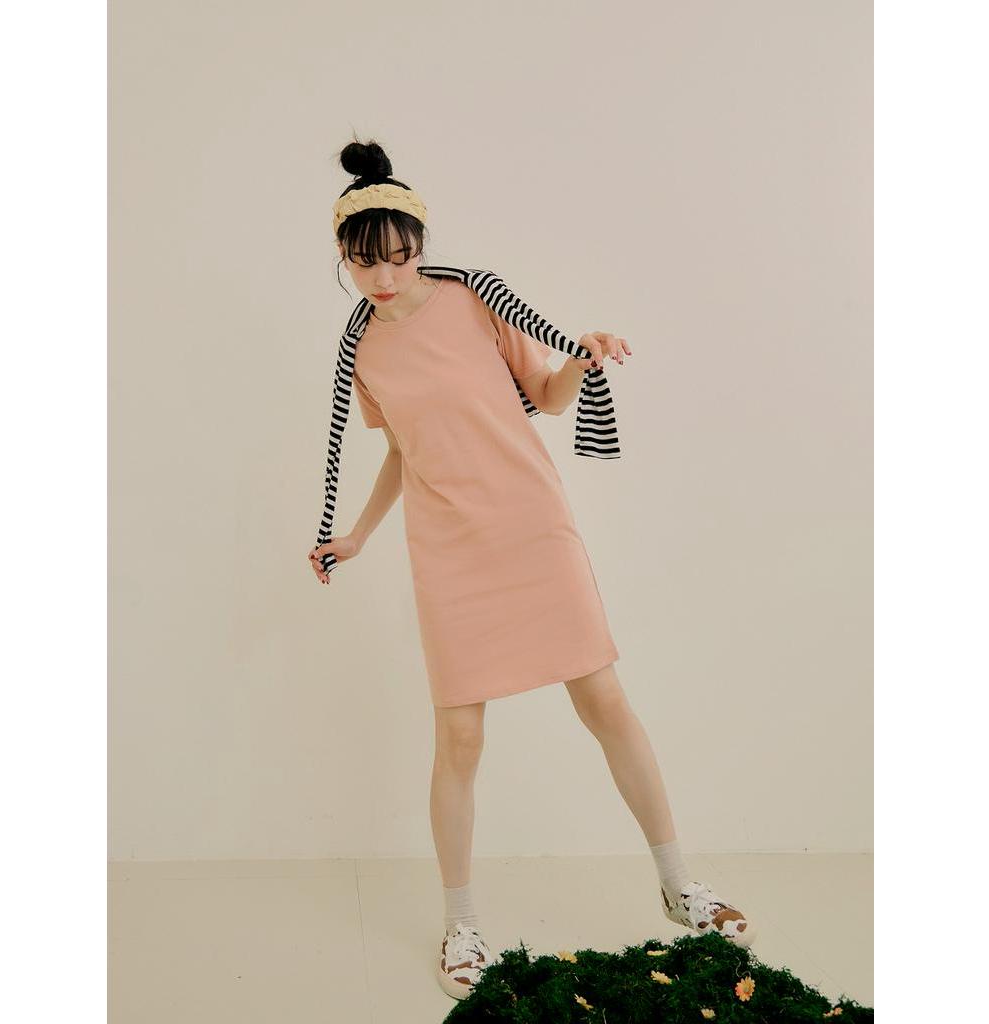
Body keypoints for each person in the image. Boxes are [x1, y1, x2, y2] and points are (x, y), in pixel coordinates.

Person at [309, 137, 756, 1001]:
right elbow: (403, 451)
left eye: (400, 256)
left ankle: (678, 885)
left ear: (420, 246)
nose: (386, 277)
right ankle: (461, 922)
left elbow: (545, 397)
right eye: (367, 262)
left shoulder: (475, 300)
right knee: (460, 739)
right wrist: (357, 535)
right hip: (448, 550)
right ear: (343, 256)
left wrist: (579, 362)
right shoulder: (361, 351)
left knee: (605, 702)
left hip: (533, 529)